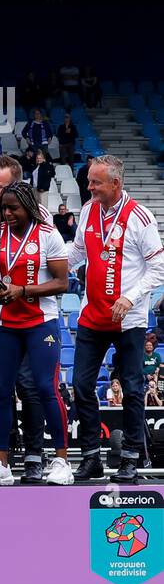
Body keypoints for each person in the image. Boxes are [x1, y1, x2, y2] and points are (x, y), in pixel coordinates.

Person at [67, 155, 164, 483]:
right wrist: (51, 266)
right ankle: (91, 456)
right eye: (89, 181)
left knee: (134, 388)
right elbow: (78, 252)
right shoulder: (88, 210)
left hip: (129, 317)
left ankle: (131, 458)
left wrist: (130, 296)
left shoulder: (140, 216)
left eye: (95, 182)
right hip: (92, 315)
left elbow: (158, 267)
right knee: (80, 384)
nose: (89, 187)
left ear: (115, 184)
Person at [0, 182, 72, 485]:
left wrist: (23, 291)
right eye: (4, 208)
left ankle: (61, 461)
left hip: (41, 323)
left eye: (13, 208)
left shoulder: (48, 235)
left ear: (28, 205)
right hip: (4, 324)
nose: (7, 213)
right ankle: (1, 464)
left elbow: (62, 283)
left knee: (45, 388)